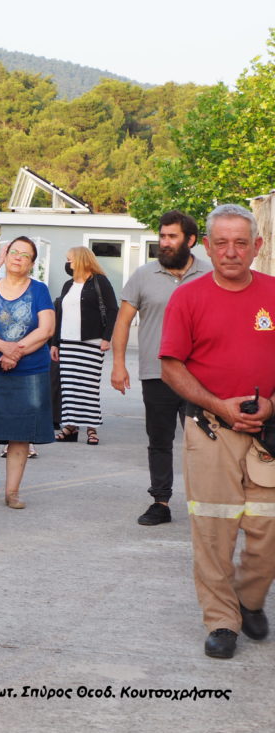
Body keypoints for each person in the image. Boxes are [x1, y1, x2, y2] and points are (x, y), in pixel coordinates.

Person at [159, 203, 275, 659]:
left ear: (257, 247)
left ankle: (249, 600)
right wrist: (217, 405)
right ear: (206, 246)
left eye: (240, 242)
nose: (231, 252)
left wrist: (270, 405)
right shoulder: (187, 297)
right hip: (209, 429)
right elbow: (170, 365)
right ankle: (222, 621)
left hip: (267, 434)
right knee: (213, 529)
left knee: (268, 533)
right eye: (221, 243)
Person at [111, 210, 211, 525]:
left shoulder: (210, 275)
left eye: (172, 237)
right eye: (162, 236)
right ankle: (161, 502)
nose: (164, 243)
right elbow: (123, 321)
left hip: (201, 376)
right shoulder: (143, 275)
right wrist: (117, 364)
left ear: (190, 240)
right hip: (157, 374)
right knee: (159, 440)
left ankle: (207, 503)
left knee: (205, 442)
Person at [0, 236, 55, 509]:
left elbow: (46, 329)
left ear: (32, 262)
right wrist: (5, 348)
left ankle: (12, 491)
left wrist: (15, 352)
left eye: (25, 254)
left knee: (22, 430)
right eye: (14, 252)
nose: (18, 257)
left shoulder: (39, 290)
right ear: (4, 257)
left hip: (30, 370)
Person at [50, 246, 118, 445]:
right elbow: (59, 314)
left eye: (70, 259)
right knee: (69, 387)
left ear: (80, 260)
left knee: (88, 387)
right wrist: (55, 343)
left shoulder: (99, 281)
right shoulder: (67, 285)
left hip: (91, 341)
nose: (67, 263)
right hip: (67, 342)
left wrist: (107, 337)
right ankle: (70, 427)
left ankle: (91, 428)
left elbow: (113, 309)